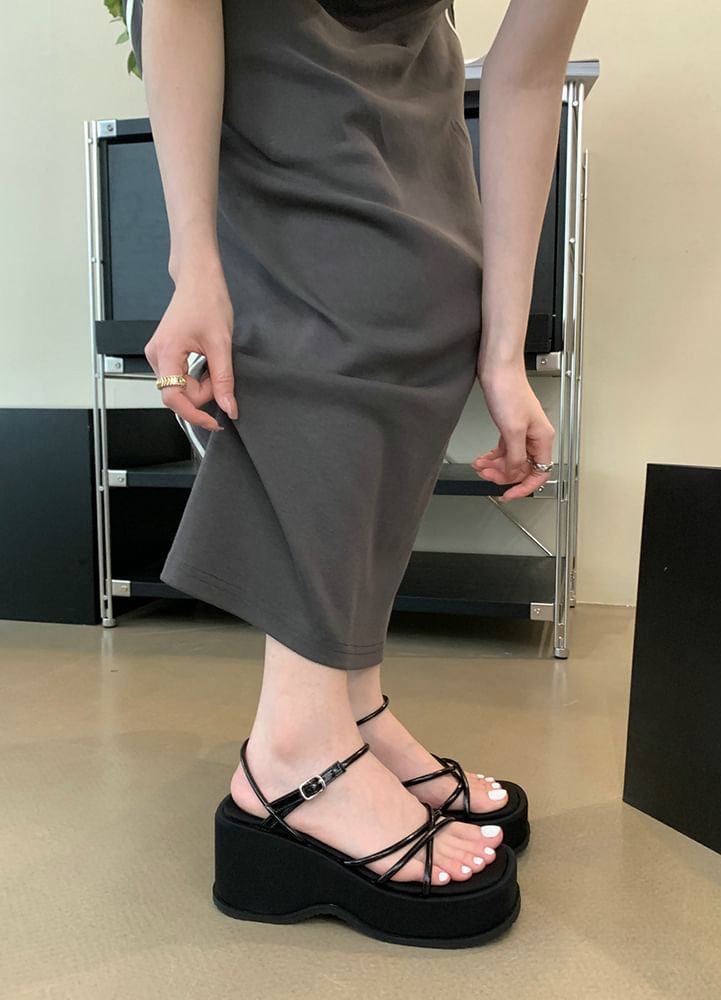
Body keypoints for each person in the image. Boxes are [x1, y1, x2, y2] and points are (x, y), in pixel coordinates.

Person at [134, 0, 588, 947]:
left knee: (438, 294)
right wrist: (194, 261)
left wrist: (502, 355)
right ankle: (293, 755)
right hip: (260, 29)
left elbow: (525, 75)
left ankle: (348, 700)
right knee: (347, 296)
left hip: (411, 62)